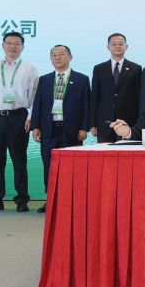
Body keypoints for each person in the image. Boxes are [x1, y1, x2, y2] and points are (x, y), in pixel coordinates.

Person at [0, 31, 39, 213]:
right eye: (9, 43)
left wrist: (31, 118)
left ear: (22, 47)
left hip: (19, 117)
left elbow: (34, 96)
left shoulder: (30, 68)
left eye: (17, 44)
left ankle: (22, 199)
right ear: (3, 46)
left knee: (19, 160)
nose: (13, 47)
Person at [30, 45, 90, 213]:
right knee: (49, 166)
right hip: (49, 129)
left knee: (72, 167)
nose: (57, 58)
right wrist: (36, 126)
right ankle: (50, 200)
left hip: (72, 130)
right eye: (54, 55)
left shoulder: (82, 79)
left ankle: (71, 201)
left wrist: (84, 127)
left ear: (70, 57)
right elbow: (38, 103)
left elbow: (86, 105)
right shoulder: (44, 80)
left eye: (61, 54)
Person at [89, 33, 142, 143]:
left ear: (126, 47)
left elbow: (138, 97)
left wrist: (138, 123)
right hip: (104, 123)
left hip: (128, 123)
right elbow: (94, 97)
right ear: (108, 47)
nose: (118, 46)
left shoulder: (136, 68)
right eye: (114, 44)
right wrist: (93, 123)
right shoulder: (99, 69)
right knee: (104, 152)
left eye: (121, 44)